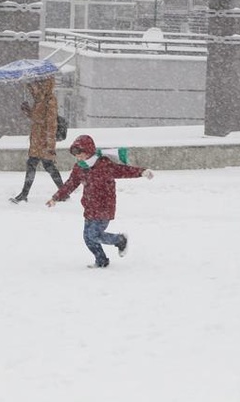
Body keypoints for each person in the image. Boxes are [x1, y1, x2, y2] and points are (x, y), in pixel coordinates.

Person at [46, 134, 154, 268]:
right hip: (90, 206)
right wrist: (56, 197)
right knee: (88, 238)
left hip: (104, 206)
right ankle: (101, 260)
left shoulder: (103, 164)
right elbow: (70, 184)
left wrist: (142, 172)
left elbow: (124, 170)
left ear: (89, 151)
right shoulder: (79, 167)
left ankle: (120, 240)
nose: (78, 157)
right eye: (76, 155)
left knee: (94, 235)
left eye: (81, 154)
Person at [10, 78, 64, 204]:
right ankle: (25, 194)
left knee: (47, 165)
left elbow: (51, 124)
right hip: (37, 140)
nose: (32, 88)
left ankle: (63, 192)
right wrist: (28, 111)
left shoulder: (50, 101)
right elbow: (37, 118)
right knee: (36, 165)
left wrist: (50, 145)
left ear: (42, 85)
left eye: (35, 85)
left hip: (44, 141)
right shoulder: (39, 100)